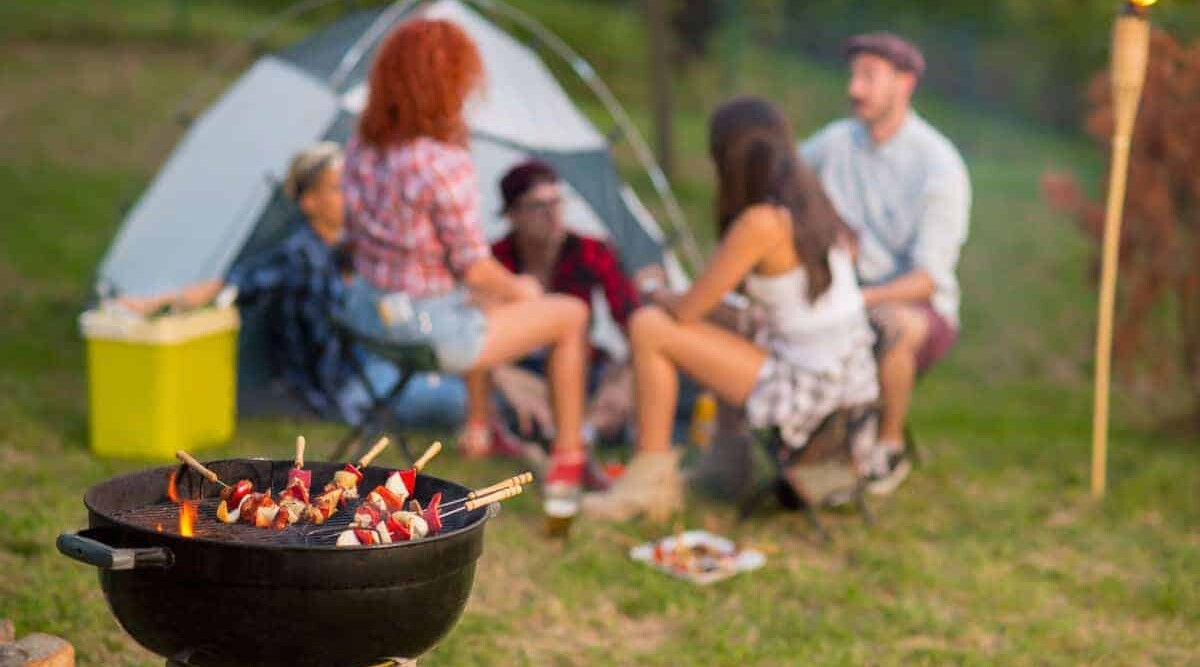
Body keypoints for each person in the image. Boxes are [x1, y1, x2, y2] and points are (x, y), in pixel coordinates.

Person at [582, 96, 879, 522]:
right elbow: (756, 310)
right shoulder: (809, 196)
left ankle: (646, 487)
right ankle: (725, 464)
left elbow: (686, 312)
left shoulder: (761, 222)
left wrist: (653, 287)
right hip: (849, 384)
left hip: (810, 395)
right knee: (730, 329)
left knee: (650, 326)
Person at [337, 19, 591, 496]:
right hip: (426, 332)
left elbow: (351, 237)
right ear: (448, 86)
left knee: (480, 296)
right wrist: (525, 290)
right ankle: (569, 462)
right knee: (570, 314)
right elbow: (473, 266)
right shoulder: (441, 162)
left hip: (366, 316)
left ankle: (480, 428)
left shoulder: (362, 146)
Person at [115, 143, 465, 427]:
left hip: (375, 366)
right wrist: (150, 304)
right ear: (309, 202)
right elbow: (229, 285)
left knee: (466, 374)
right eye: (337, 188)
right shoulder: (297, 253)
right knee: (461, 401)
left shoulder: (347, 248)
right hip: (345, 389)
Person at [800, 32, 970, 494]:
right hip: (843, 289)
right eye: (854, 75)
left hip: (913, 307)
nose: (855, 88)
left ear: (905, 83)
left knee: (891, 326)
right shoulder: (836, 142)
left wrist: (856, 297)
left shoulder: (937, 166)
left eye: (870, 77)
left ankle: (887, 447)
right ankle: (805, 443)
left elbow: (927, 281)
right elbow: (785, 179)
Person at [488, 160, 648, 451]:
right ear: (513, 215)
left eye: (557, 201)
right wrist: (504, 377)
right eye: (538, 205)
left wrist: (625, 378)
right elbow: (474, 334)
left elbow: (635, 325)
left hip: (583, 368)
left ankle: (582, 431)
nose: (552, 213)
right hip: (522, 368)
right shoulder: (495, 261)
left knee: (639, 385)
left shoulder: (592, 251)